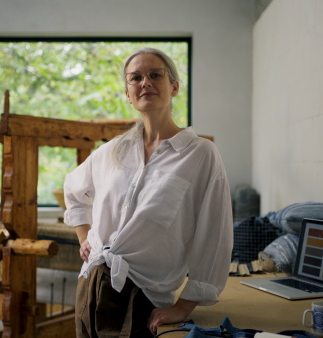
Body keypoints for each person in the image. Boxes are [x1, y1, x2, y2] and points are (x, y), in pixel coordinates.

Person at [63, 47, 233, 337]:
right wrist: (83, 236)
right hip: (90, 288)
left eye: (156, 75)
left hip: (145, 299)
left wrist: (184, 306)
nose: (145, 82)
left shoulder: (200, 154)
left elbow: (215, 235)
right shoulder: (113, 151)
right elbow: (73, 187)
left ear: (174, 87)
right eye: (135, 78)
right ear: (128, 94)